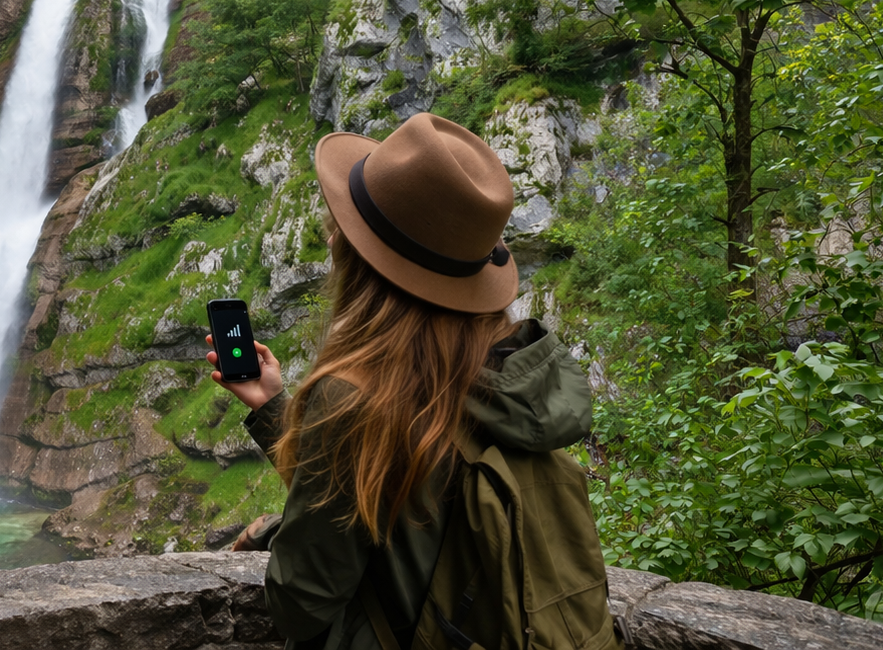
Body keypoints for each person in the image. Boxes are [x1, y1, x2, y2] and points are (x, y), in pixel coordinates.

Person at [206, 113, 614, 650]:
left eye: (343, 226)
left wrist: (273, 537)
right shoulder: (510, 380)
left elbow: (302, 602)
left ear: (363, 261)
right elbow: (401, 511)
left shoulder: (358, 399)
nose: (332, 236)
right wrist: (277, 410)